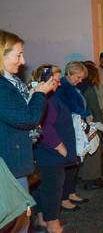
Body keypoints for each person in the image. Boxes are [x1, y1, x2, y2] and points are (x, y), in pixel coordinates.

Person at [0, 29, 52, 233]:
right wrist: (39, 95)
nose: (23, 61)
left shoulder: (10, 84)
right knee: (17, 224)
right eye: (18, 54)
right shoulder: (2, 87)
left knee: (21, 221)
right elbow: (28, 118)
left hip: (13, 166)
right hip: (9, 169)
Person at [30, 64, 77, 233]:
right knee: (53, 188)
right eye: (56, 80)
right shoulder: (46, 99)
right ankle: (53, 226)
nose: (59, 84)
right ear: (47, 80)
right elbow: (46, 126)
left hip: (45, 153)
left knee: (43, 187)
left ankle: (43, 220)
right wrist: (61, 147)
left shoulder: (46, 96)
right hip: (51, 154)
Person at [56, 61, 90, 210]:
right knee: (69, 163)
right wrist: (87, 113)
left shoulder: (71, 86)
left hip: (73, 127)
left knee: (74, 162)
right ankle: (64, 198)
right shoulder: (64, 87)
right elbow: (71, 107)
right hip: (66, 129)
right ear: (69, 73)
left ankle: (70, 192)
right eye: (78, 77)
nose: (80, 80)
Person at [76, 62, 103, 190]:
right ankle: (91, 179)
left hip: (80, 123)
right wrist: (101, 123)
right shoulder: (89, 89)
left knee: (83, 150)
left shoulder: (78, 87)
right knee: (93, 152)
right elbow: (94, 108)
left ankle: (82, 175)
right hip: (91, 124)